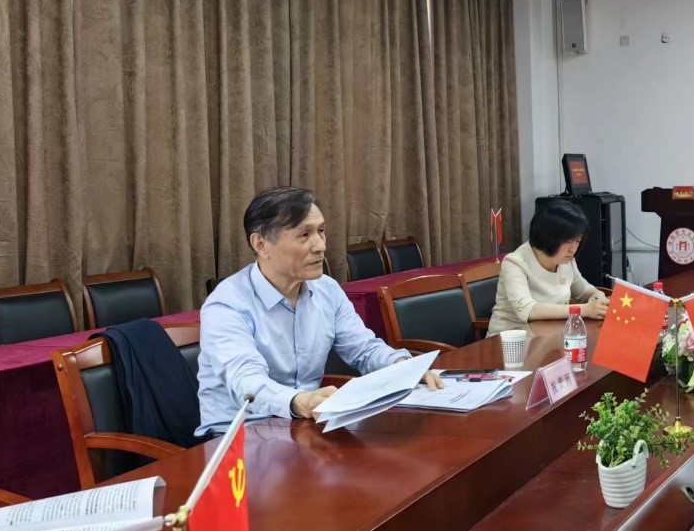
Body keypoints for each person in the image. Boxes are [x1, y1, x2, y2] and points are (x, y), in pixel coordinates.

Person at [196, 187, 441, 436]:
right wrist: (299, 401)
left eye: (321, 231)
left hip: (303, 427)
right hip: (239, 437)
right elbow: (247, 383)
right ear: (261, 244)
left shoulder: (327, 290)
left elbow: (364, 349)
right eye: (304, 235)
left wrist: (403, 367)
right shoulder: (227, 305)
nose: (320, 246)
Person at [487, 202, 610, 336]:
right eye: (568, 241)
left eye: (577, 240)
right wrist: (585, 310)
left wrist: (597, 296)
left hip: (550, 335)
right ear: (549, 237)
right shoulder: (515, 263)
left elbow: (583, 291)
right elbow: (528, 310)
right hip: (511, 340)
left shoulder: (566, 261)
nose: (573, 249)